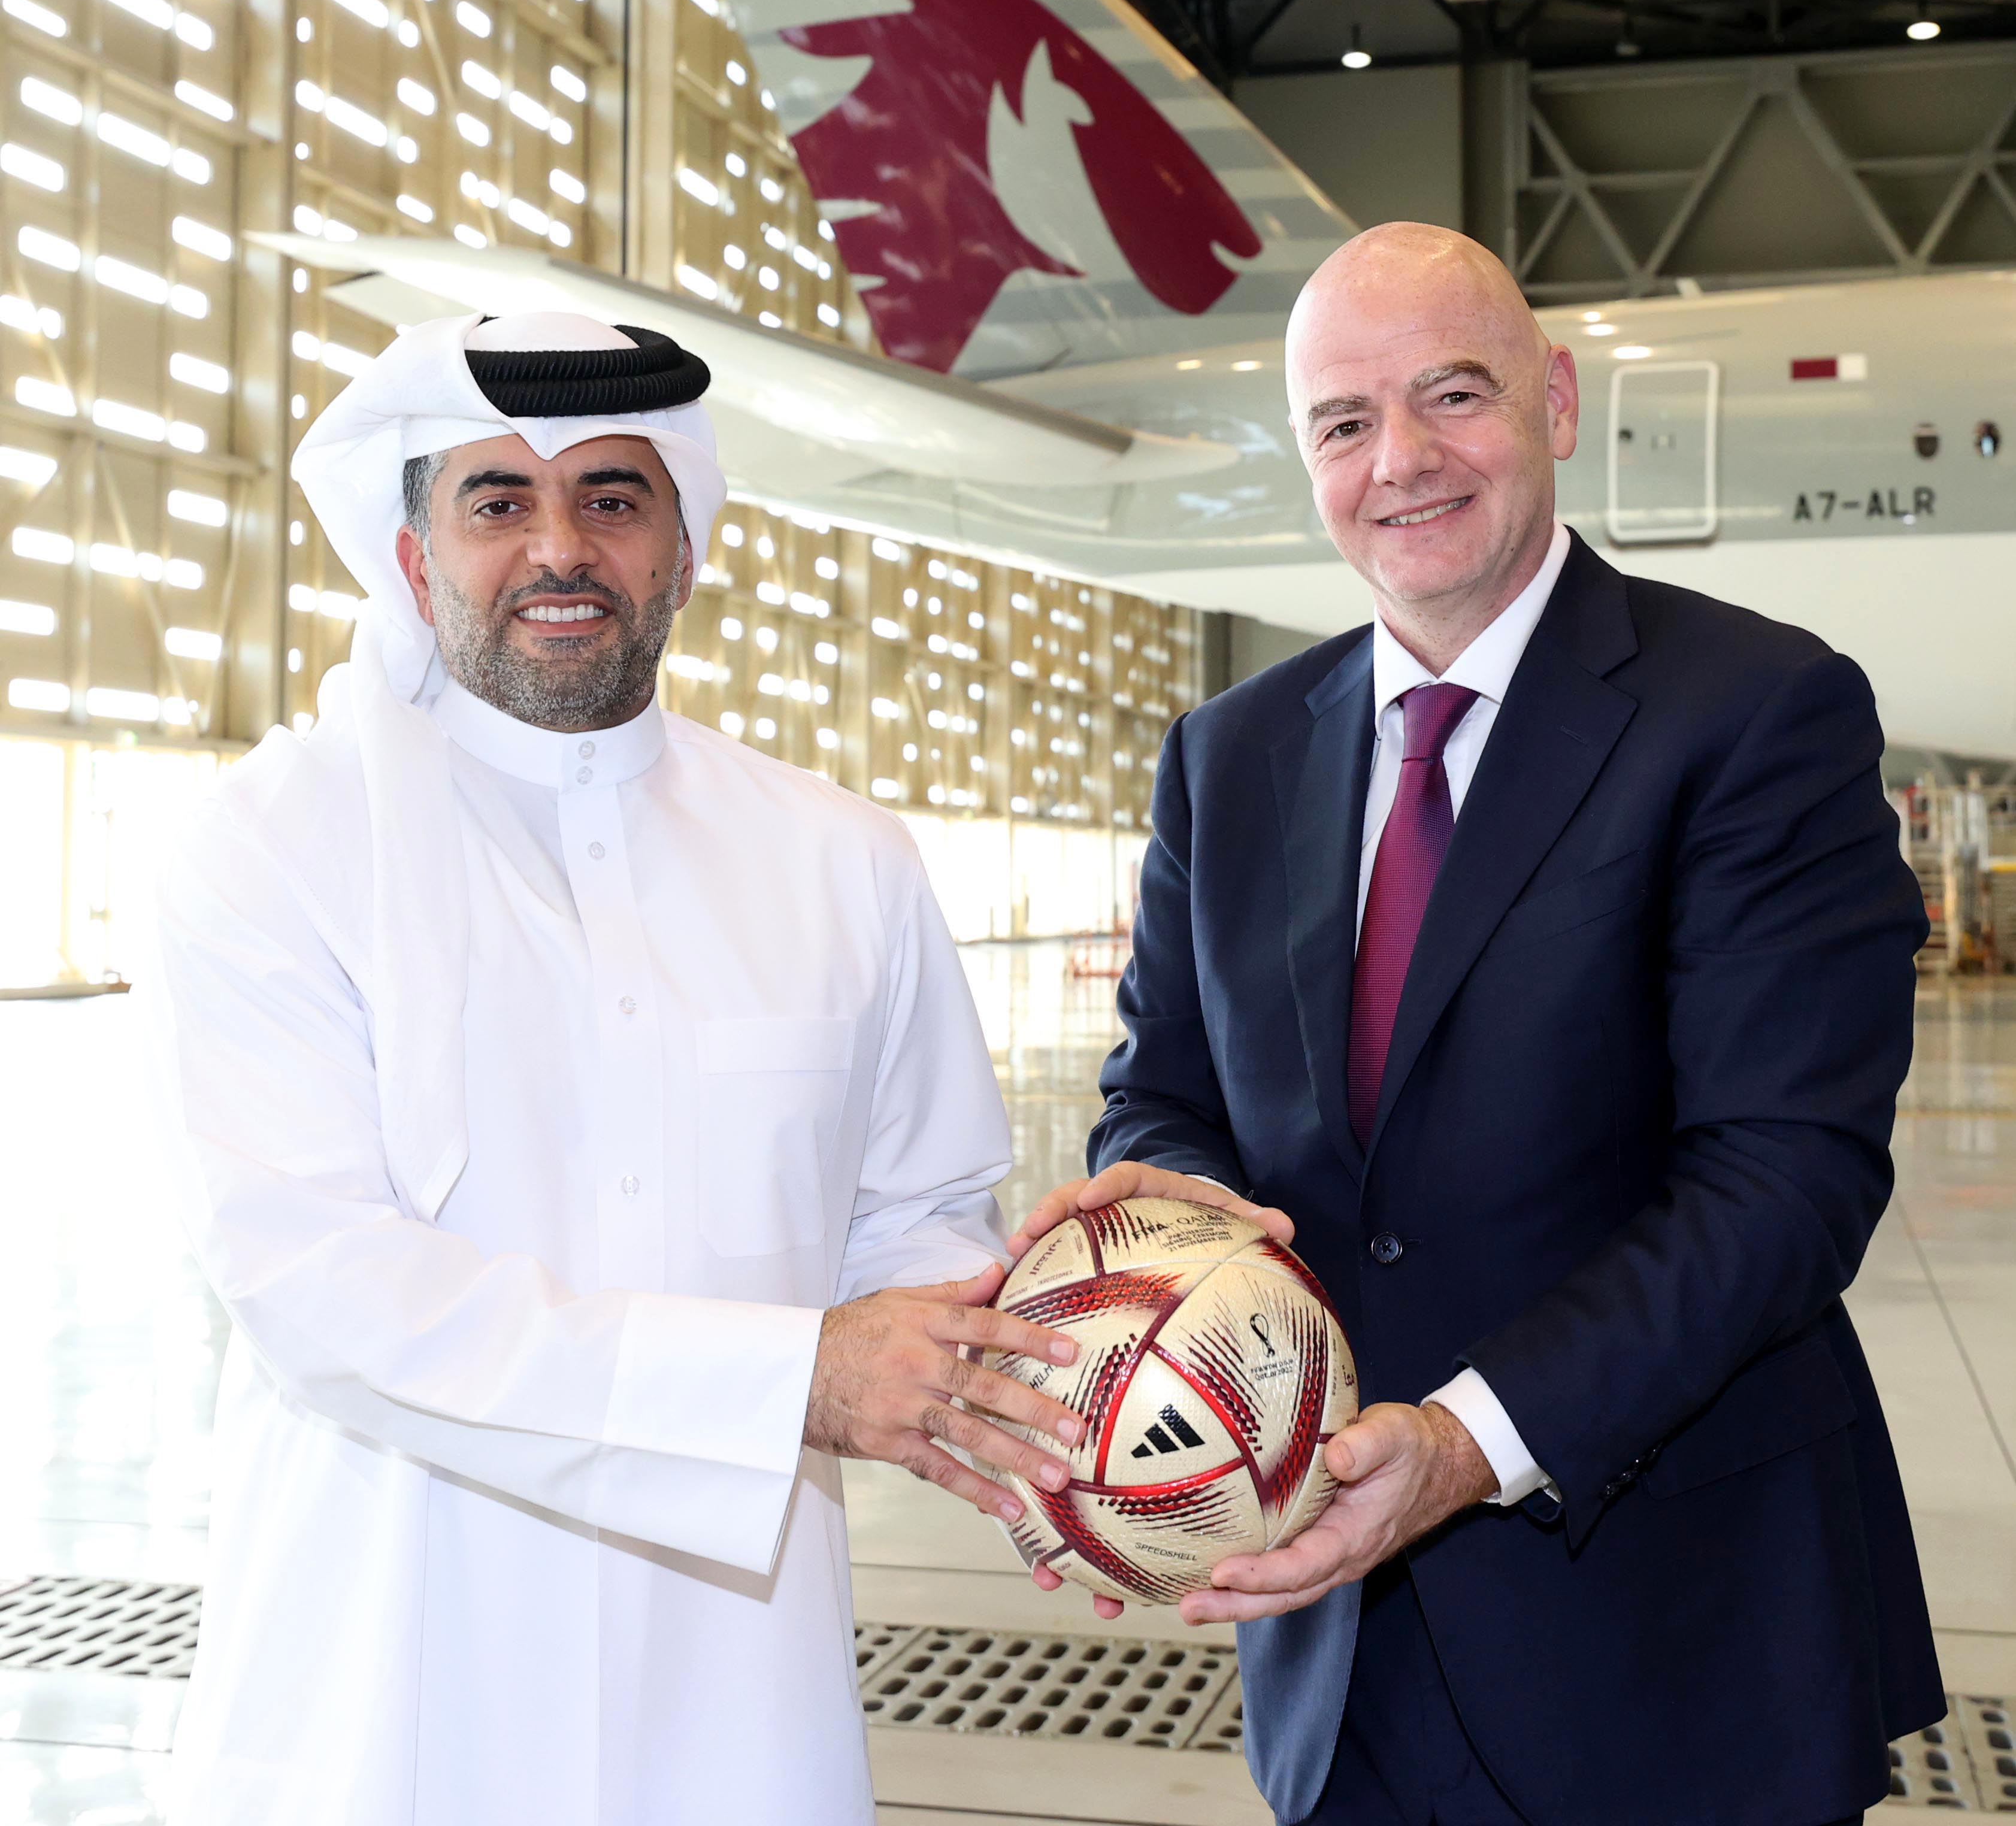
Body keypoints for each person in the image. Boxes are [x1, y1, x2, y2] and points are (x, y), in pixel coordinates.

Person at [1010, 225, 1940, 1825]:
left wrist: (1460, 1445)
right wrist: (1175, 1272)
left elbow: (1785, 1180)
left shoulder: (1754, 710)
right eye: (1344, 421)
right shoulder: (1227, 756)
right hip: (1336, 1652)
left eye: (1452, 395)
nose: (1401, 461)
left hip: (1669, 1639)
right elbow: (1163, 1095)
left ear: (1554, 403)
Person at [144, 309, 1086, 1826]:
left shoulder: (843, 861)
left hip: (735, 1706)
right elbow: (320, 1289)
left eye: (612, 497)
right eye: (498, 502)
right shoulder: (277, 845)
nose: (560, 547)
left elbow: (917, 1226)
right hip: (394, 1703)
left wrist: (1088, 1313)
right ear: (414, 562)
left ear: (683, 548)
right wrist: (796, 1381)